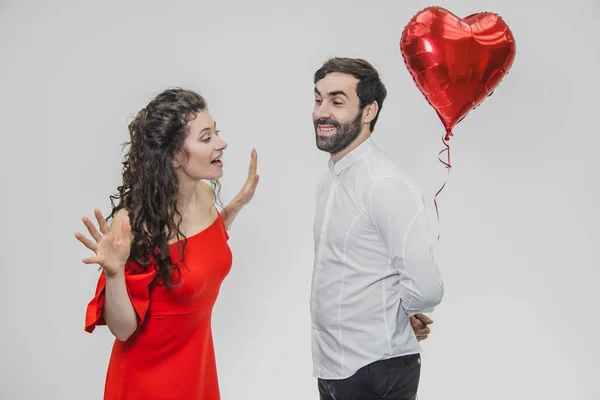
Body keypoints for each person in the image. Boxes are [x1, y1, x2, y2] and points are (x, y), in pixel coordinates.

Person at [75, 88, 259, 400]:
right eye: (206, 137)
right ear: (174, 155)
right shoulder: (132, 224)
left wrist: (235, 207)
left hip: (197, 371)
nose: (221, 143)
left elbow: (198, 252)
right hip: (147, 383)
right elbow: (123, 330)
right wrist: (114, 273)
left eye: (217, 133)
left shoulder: (204, 195)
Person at [310, 57, 444, 400]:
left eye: (337, 101)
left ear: (368, 112)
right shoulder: (330, 182)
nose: (322, 111)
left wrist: (397, 315)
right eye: (318, 98)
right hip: (332, 366)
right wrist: (397, 312)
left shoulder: (385, 184)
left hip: (376, 368)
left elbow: (426, 288)